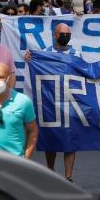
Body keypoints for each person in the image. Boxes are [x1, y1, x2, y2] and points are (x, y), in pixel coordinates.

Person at [26, 23, 80, 180]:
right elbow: (36, 69)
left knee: (70, 141)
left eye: (68, 34)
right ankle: (51, 173)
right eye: (63, 34)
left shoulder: (76, 54)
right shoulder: (45, 53)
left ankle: (68, 177)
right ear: (55, 35)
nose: (66, 37)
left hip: (70, 103)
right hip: (50, 103)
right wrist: (29, 59)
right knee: (51, 139)